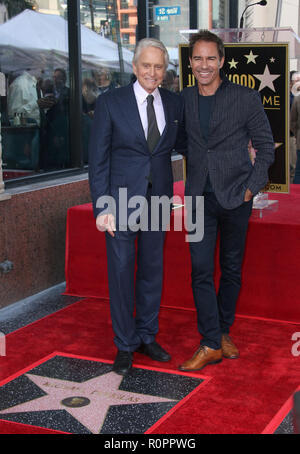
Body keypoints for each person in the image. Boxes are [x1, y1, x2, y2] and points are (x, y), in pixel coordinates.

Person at [179, 30, 274, 372]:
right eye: (198, 59)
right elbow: (180, 143)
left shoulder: (245, 97)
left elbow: (266, 146)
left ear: (221, 61)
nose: (204, 65)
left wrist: (251, 188)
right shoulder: (184, 99)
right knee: (200, 269)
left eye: (210, 58)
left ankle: (222, 331)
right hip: (197, 198)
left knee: (231, 269)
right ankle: (210, 342)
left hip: (237, 196)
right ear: (190, 63)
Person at [89, 38, 185, 376]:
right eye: (146, 65)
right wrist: (102, 208)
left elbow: (187, 145)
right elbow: (97, 161)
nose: (152, 72)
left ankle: (147, 335)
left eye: (159, 66)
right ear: (134, 67)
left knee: (151, 271)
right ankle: (124, 344)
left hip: (158, 200)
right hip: (119, 203)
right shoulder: (110, 103)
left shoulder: (173, 104)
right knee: (120, 273)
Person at [290, 71, 300, 183]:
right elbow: (292, 121)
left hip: (298, 138)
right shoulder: (296, 99)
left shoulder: (297, 99)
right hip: (296, 138)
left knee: (297, 170)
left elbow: (293, 121)